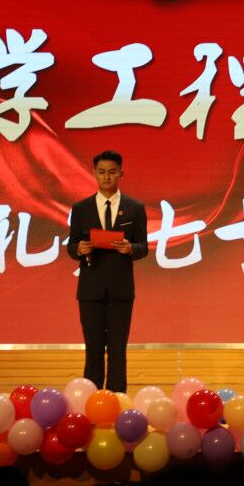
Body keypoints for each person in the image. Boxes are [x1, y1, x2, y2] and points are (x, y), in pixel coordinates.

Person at [66, 150, 148, 393]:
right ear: (94, 173)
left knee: (117, 350)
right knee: (93, 349)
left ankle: (117, 398)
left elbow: (143, 247)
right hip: (90, 290)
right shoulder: (81, 208)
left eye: (112, 172)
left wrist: (130, 248)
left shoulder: (135, 208)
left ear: (121, 173)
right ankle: (91, 400)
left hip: (121, 290)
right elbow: (71, 245)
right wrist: (78, 249)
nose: (107, 177)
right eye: (101, 172)